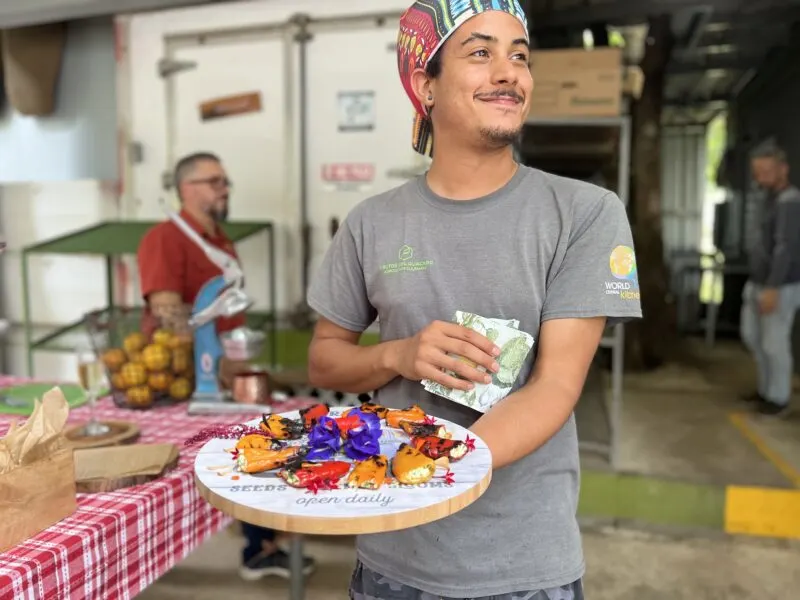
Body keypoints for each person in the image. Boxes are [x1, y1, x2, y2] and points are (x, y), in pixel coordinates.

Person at [306, 2, 642, 599]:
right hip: (391, 558)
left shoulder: (586, 214)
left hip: (520, 569)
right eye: (481, 52)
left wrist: (427, 466)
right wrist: (397, 356)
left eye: (520, 56)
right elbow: (325, 359)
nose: (509, 72)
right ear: (425, 85)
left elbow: (554, 387)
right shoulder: (371, 223)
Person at [136, 152, 316, 580]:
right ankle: (255, 547)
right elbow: (166, 314)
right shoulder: (165, 239)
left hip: (224, 370)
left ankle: (260, 546)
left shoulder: (218, 241)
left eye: (225, 180)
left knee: (263, 444)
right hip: (183, 381)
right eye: (214, 181)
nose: (225, 189)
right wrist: (215, 371)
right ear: (185, 189)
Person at [740, 145, 800, 417]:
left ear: (783, 169)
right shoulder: (767, 198)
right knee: (752, 336)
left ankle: (778, 398)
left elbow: (785, 248)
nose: (760, 177)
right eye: (757, 172)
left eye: (766, 171)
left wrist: (773, 287)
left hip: (779, 285)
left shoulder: (789, 201)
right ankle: (766, 390)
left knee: (774, 342)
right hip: (758, 281)